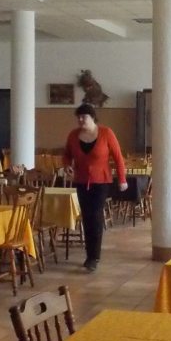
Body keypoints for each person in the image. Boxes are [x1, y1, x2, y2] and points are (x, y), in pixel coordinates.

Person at [63, 102, 128, 272]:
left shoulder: (106, 133)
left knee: (95, 215)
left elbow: (118, 158)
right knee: (86, 217)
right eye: (78, 117)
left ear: (92, 117)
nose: (80, 120)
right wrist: (67, 165)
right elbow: (66, 154)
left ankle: (94, 257)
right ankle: (89, 254)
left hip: (101, 182)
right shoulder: (73, 135)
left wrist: (122, 179)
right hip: (81, 181)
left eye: (83, 117)